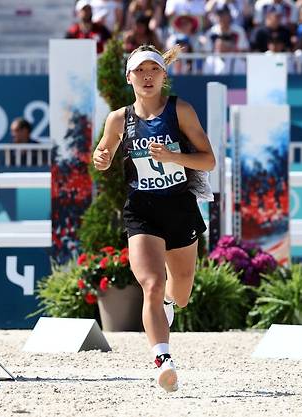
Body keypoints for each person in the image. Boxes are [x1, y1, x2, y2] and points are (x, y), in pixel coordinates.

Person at [92, 44, 215, 392]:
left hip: (179, 206)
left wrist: (176, 156)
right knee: (150, 282)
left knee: (182, 292)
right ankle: (163, 360)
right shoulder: (119, 118)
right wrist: (101, 159)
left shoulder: (182, 111)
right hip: (141, 208)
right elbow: (104, 152)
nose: (147, 77)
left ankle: (167, 304)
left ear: (164, 76)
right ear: (129, 77)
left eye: (153, 71)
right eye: (140, 71)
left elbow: (209, 161)